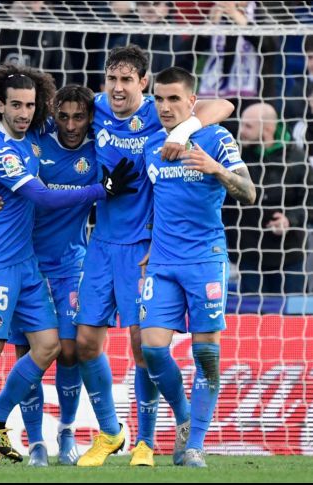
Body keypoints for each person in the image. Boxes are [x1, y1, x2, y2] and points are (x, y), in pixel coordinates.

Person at [0, 65, 138, 468]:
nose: (71, 124)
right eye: (63, 116)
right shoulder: (30, 140)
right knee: (17, 350)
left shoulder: (98, 146)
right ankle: (20, 441)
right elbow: (31, 193)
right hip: (8, 260)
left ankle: (65, 430)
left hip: (64, 263)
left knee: (66, 348)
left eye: (80, 117)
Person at [74, 44, 234, 467]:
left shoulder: (156, 114)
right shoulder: (96, 109)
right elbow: (59, 118)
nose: (118, 88)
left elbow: (224, 103)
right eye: (112, 79)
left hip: (144, 247)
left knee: (142, 347)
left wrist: (182, 132)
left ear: (143, 83)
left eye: (127, 80)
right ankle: (112, 433)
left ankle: (146, 441)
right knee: (85, 342)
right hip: (101, 242)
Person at [140, 66, 256, 467]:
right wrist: (151, 239)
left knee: (207, 356)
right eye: (160, 98)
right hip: (163, 262)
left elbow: (249, 192)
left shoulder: (216, 138)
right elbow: (158, 201)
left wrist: (217, 169)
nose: (166, 106)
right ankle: (186, 417)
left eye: (175, 99)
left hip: (206, 261)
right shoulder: (150, 146)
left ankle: (194, 446)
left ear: (192, 102)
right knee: (152, 349)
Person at [225, 102, 313, 295]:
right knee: (250, 317)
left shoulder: (296, 159)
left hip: (288, 257)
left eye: (248, 126)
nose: (241, 131)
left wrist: (290, 219)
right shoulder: (236, 156)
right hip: (248, 256)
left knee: (290, 319)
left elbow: (310, 203)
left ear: (268, 129)